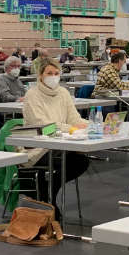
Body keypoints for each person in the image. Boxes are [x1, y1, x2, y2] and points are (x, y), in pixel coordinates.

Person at [20, 59, 90, 205]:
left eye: (56, 73)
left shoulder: (63, 93)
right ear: (40, 75)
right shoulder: (32, 95)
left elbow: (74, 118)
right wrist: (69, 128)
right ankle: (47, 198)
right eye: (49, 73)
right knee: (64, 160)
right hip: (38, 147)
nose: (53, 76)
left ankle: (50, 191)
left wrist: (92, 126)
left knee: (81, 161)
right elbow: (43, 125)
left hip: (61, 145)